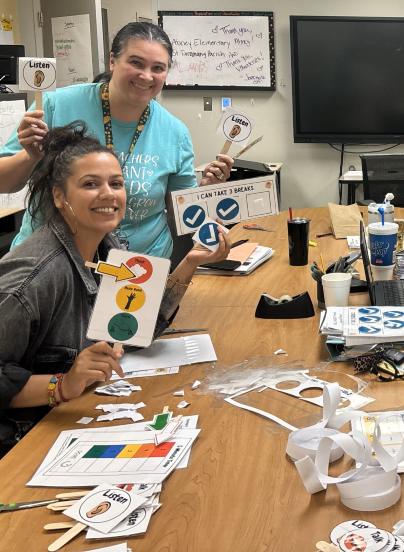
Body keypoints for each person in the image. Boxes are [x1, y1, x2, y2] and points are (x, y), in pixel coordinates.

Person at [0, 123, 231, 457]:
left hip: (76, 418)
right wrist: (61, 385)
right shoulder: (33, 277)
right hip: (26, 443)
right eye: (90, 184)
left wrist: (191, 262)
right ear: (59, 196)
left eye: (116, 183)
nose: (108, 194)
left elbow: (135, 329)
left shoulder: (107, 249)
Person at [0, 22, 234, 258]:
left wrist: (204, 193)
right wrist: (30, 156)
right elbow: (3, 183)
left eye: (158, 68)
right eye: (136, 63)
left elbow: (181, 213)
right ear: (113, 61)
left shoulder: (175, 132)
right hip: (51, 265)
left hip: (138, 269)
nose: (146, 75)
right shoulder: (55, 106)